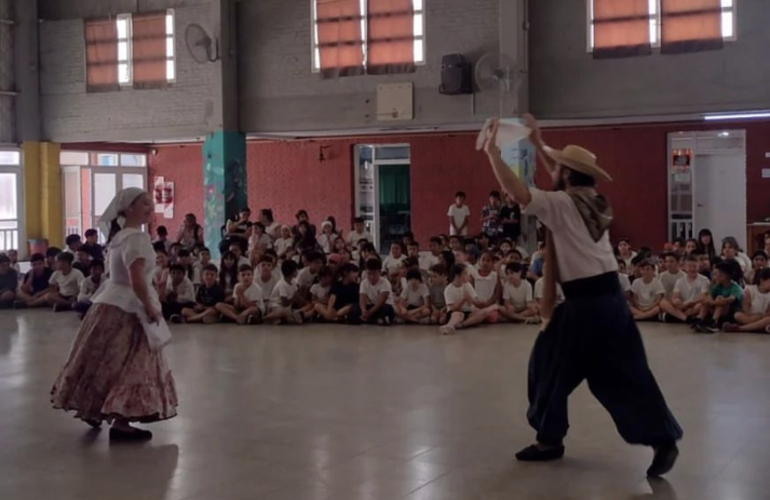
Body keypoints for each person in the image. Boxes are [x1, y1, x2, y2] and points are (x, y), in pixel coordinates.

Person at [484, 116, 681, 475]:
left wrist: (493, 153)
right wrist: (540, 142)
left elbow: (519, 193)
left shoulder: (561, 205)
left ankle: (549, 438)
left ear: (568, 175)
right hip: (611, 301)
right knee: (628, 373)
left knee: (546, 366)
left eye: (559, 168)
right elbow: (561, 186)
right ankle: (663, 439)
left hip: (584, 305)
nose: (553, 171)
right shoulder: (594, 201)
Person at [51, 187, 177, 439]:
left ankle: (93, 407)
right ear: (128, 208)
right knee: (132, 363)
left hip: (108, 303)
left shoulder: (118, 238)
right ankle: (121, 422)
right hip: (129, 308)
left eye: (150, 204)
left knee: (103, 359)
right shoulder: (136, 239)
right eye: (144, 204)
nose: (150, 208)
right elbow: (136, 278)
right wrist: (150, 307)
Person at [439, 263, 496, 334]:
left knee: (483, 312)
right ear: (458, 276)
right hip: (454, 312)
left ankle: (462, 324)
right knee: (458, 315)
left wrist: (476, 302)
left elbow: (476, 301)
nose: (467, 276)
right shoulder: (449, 289)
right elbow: (452, 308)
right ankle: (450, 325)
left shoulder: (467, 285)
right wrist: (463, 300)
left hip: (468, 312)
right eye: (465, 274)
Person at [693, 261, 744, 334]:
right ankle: (700, 318)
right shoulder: (718, 286)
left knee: (720, 299)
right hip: (717, 309)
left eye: (719, 275)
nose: (715, 277)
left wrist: (714, 302)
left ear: (727, 276)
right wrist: (710, 299)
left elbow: (731, 299)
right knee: (707, 301)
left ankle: (714, 322)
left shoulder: (735, 287)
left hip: (731, 313)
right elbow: (710, 295)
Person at [659, 255, 711, 323]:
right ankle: (685, 318)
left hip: (694, 306)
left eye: (694, 266)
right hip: (683, 306)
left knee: (702, 304)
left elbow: (703, 296)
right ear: (684, 267)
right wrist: (676, 301)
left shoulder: (704, 280)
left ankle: (680, 317)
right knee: (663, 303)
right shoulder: (680, 280)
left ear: (698, 267)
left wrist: (690, 303)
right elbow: (675, 296)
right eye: (689, 266)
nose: (692, 269)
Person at [724, 268, 770, 333]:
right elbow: (745, 308)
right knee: (738, 315)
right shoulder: (750, 290)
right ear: (762, 280)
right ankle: (756, 327)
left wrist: (760, 316)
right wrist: (754, 317)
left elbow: (768, 313)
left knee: (768, 320)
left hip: (762, 317)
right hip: (750, 316)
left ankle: (741, 328)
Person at [355, 259, 395, 325]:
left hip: (381, 307)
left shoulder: (385, 283)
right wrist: (364, 310)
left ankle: (371, 319)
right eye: (369, 274)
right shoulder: (364, 283)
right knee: (355, 308)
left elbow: (380, 302)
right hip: (369, 306)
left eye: (374, 274)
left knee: (387, 310)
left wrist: (370, 312)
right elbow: (362, 298)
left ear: (379, 272)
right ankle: (371, 319)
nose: (372, 277)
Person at [264, 260, 304, 325]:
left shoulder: (293, 282)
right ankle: (264, 318)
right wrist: (293, 298)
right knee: (283, 313)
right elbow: (284, 302)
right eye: (295, 270)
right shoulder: (282, 284)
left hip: (287, 307)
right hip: (276, 306)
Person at [471, 252, 502, 323]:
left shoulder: (495, 276)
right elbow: (470, 291)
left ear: (492, 263)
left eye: (488, 261)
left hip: (490, 304)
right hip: (476, 305)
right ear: (479, 261)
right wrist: (477, 303)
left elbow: (497, 293)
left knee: (492, 317)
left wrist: (488, 303)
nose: (485, 263)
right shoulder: (473, 275)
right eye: (483, 260)